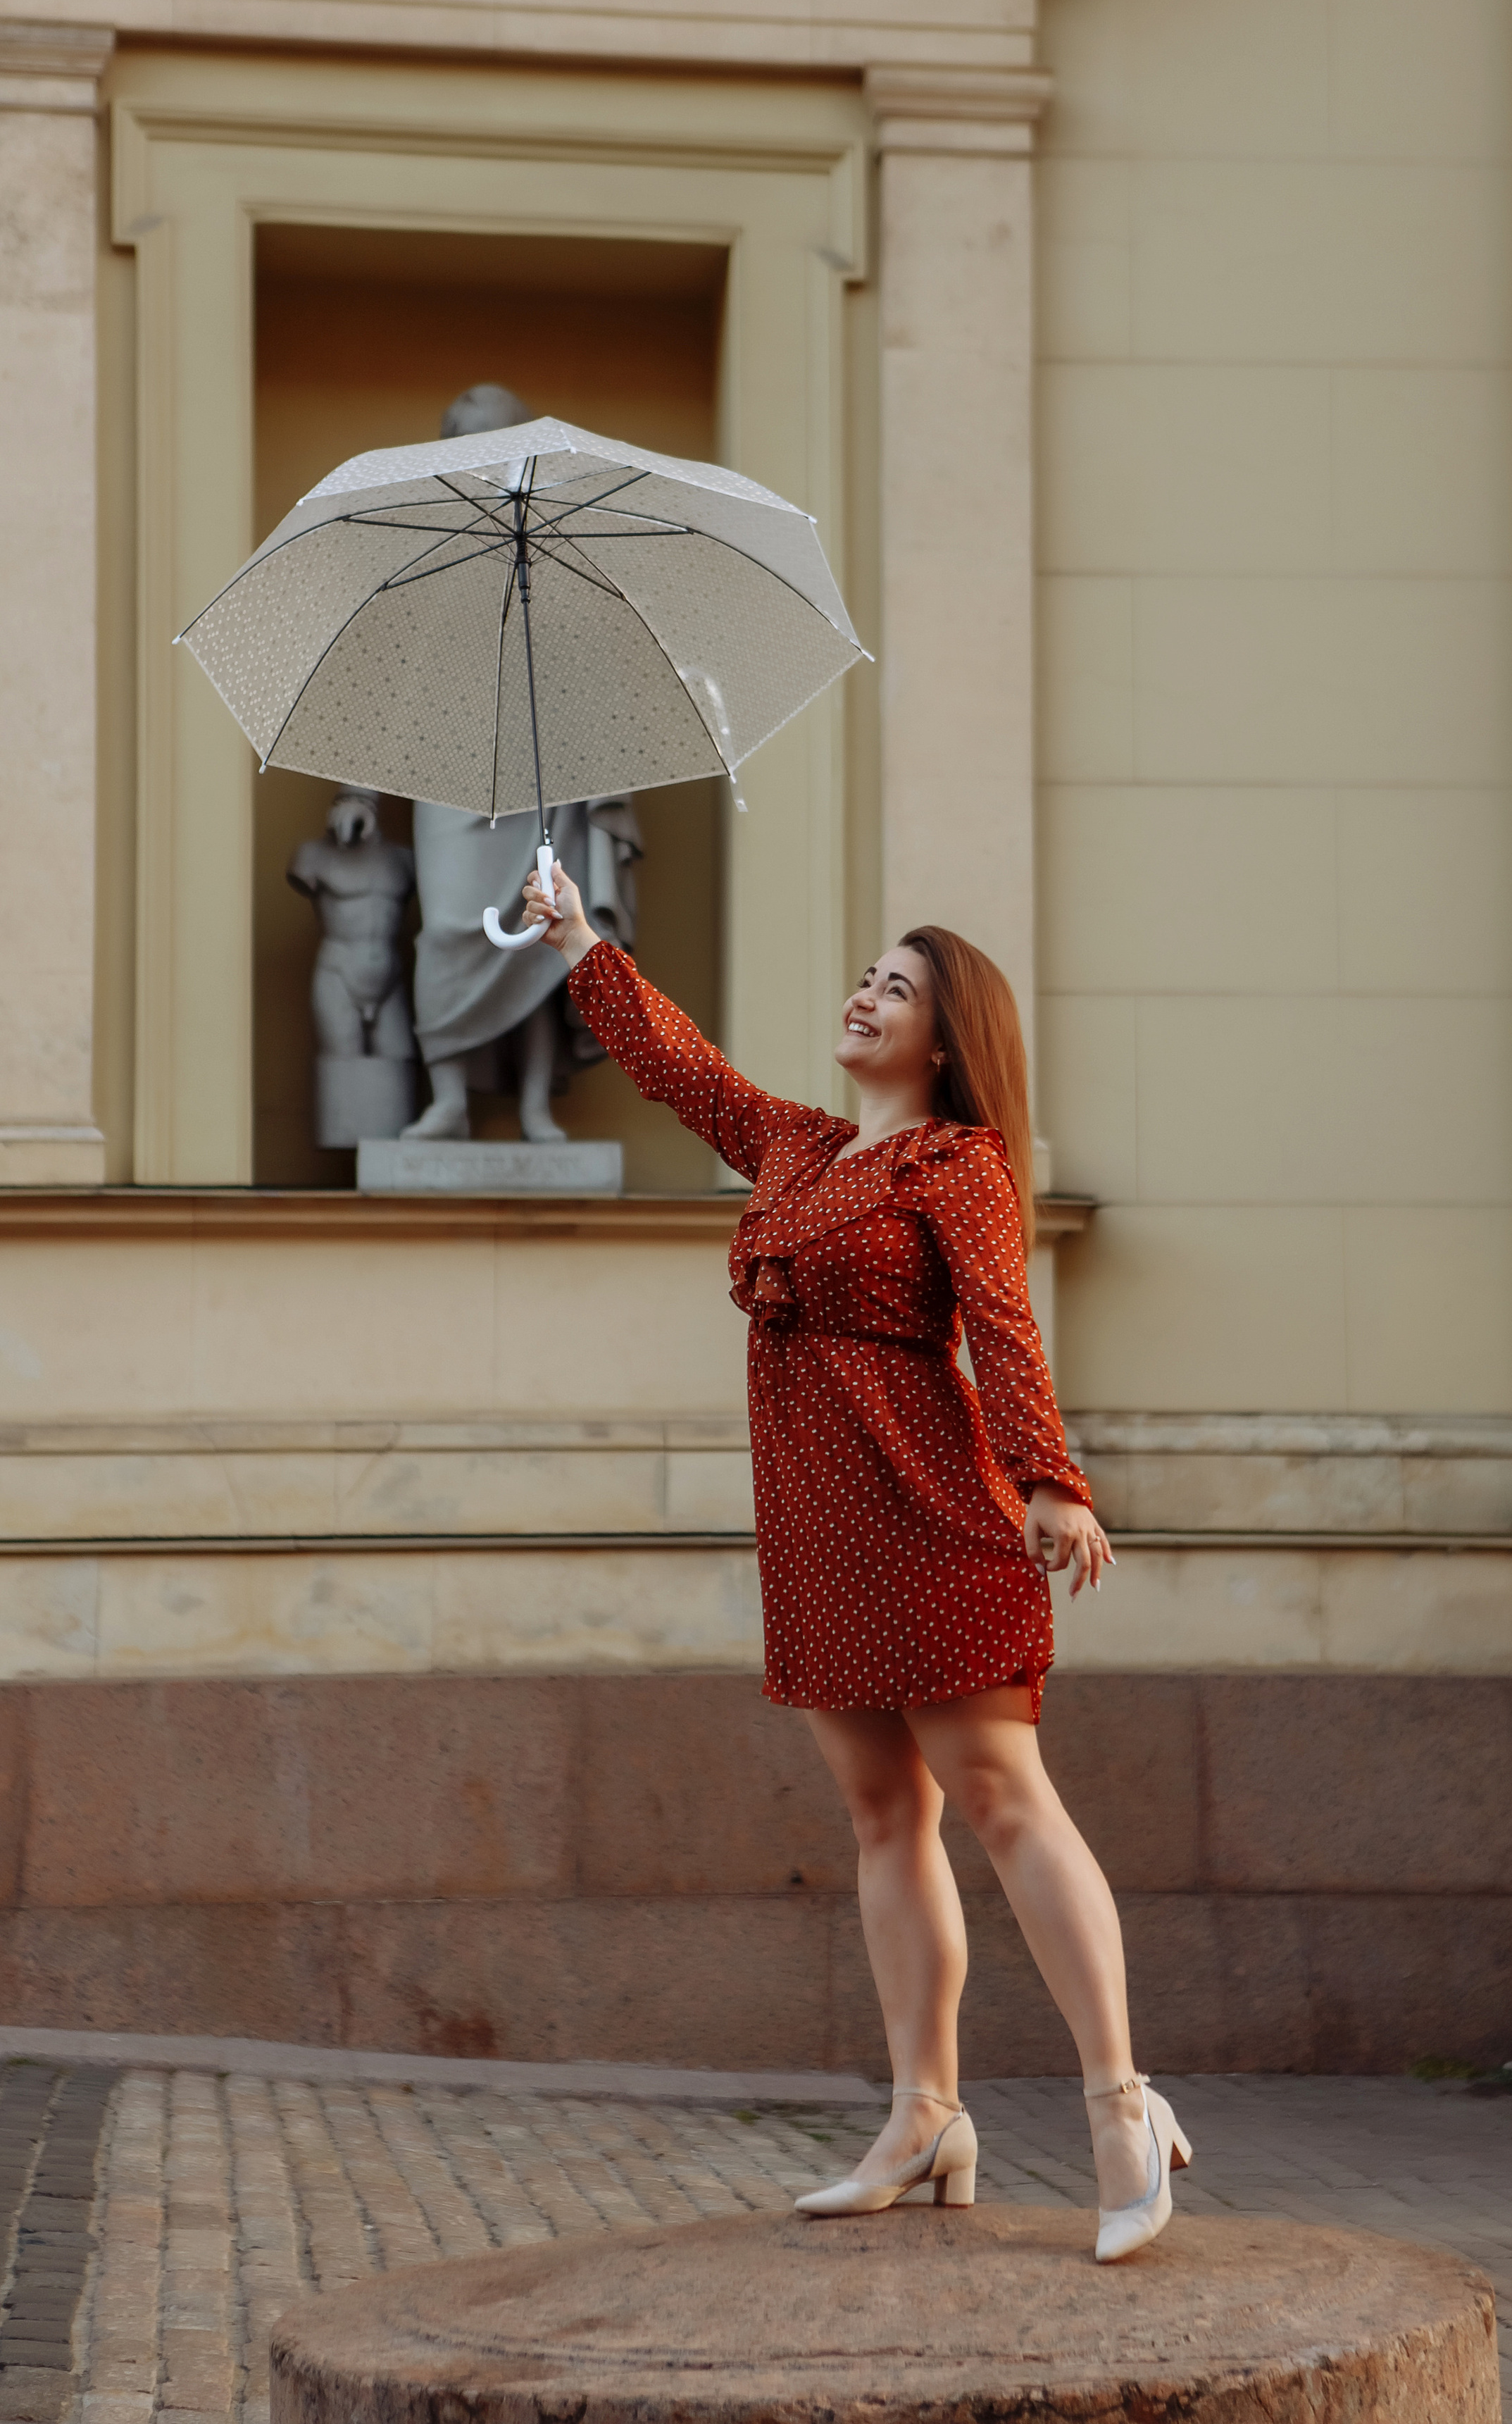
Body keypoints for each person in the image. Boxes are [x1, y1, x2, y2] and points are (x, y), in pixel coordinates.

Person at [523, 859, 1192, 2265]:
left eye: (896, 989)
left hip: (932, 1509)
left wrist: (1048, 1480)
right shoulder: (793, 1146)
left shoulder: (958, 1165)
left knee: (1001, 1798)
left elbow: (1001, 1321)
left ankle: (1120, 2108)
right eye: (865, 977)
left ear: (944, 1041)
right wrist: (581, 938)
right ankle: (923, 2118)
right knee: (884, 1818)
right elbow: (682, 1069)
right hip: (820, 1531)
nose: (864, 996)